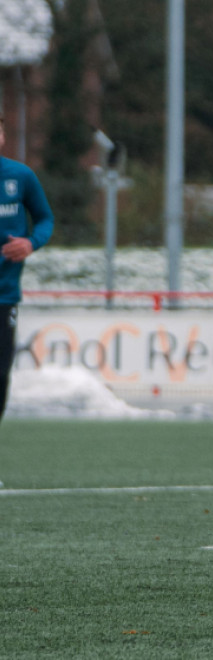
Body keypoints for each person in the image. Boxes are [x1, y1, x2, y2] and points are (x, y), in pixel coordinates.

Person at [0, 112, 56, 432]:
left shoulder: (20, 177)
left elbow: (45, 218)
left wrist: (31, 243)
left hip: (4, 296)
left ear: (3, 136)